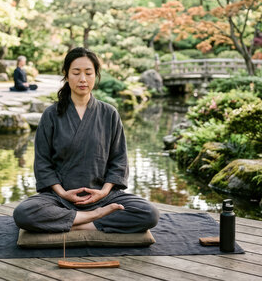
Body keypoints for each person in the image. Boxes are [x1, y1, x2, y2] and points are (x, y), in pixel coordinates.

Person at [13, 47, 159, 233]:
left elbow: (119, 160)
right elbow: (43, 163)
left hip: (103, 197)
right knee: (23, 213)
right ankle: (93, 218)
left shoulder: (109, 113)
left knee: (149, 213)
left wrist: (104, 191)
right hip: (61, 199)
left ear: (95, 75)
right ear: (66, 75)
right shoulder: (51, 115)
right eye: (76, 72)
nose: (83, 79)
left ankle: (73, 223)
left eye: (88, 73)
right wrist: (62, 192)